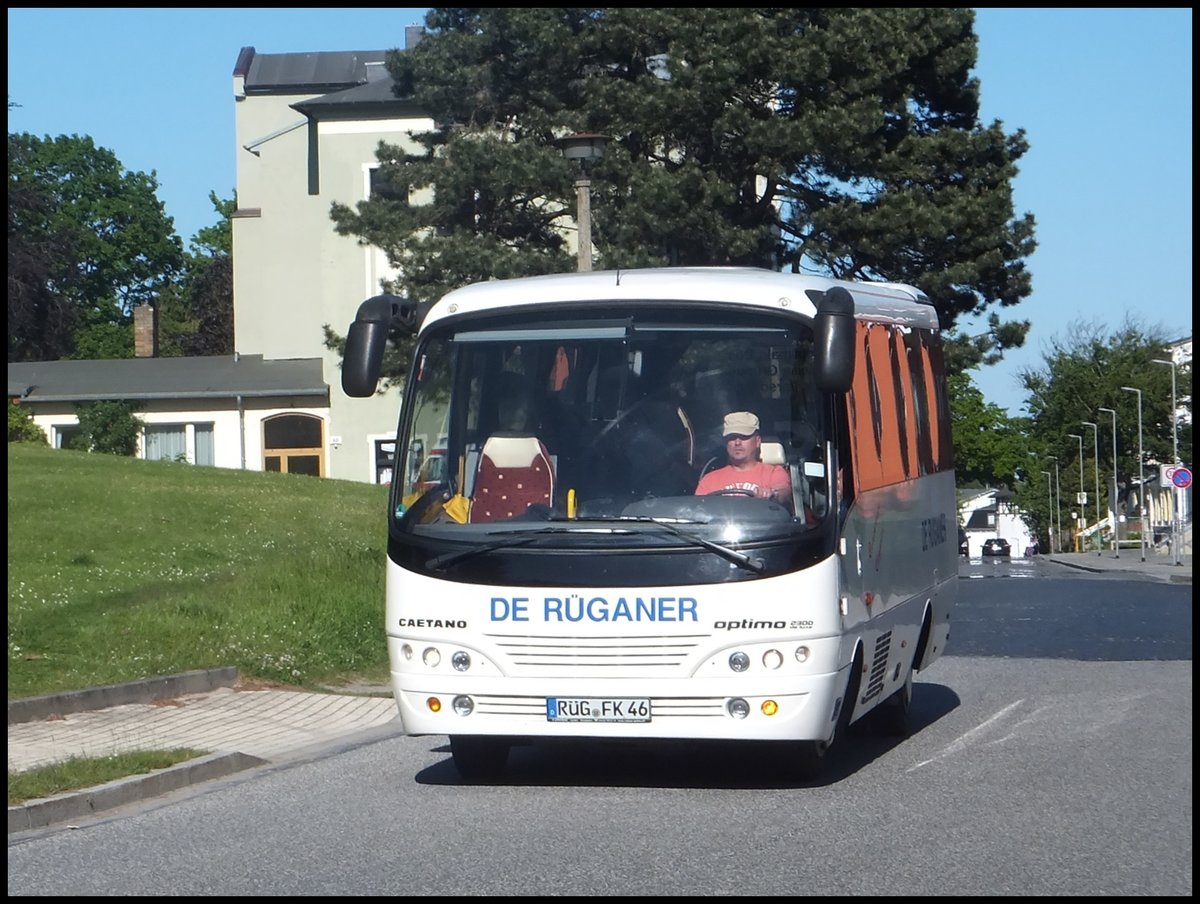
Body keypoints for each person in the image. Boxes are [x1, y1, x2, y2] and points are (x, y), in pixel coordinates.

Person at [695, 411, 792, 503]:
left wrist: (772, 493)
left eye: (744, 436)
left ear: (757, 441)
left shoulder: (774, 473)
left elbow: (784, 493)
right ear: (726, 443)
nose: (737, 443)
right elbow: (698, 510)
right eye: (732, 437)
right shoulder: (709, 480)